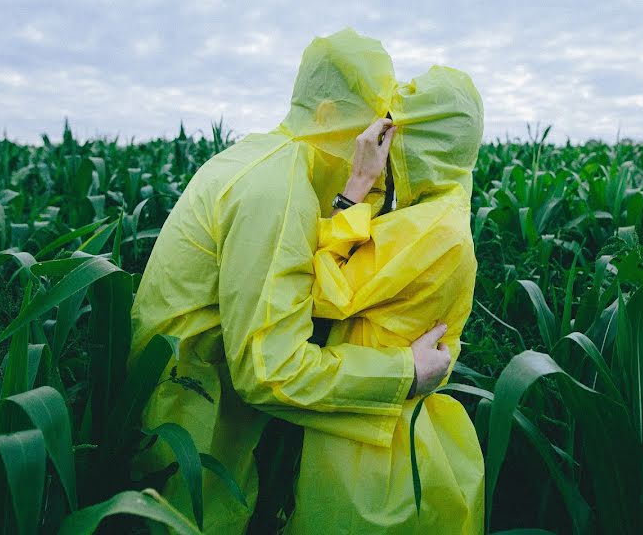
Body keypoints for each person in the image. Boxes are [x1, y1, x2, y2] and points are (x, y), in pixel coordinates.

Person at [128, 28, 453, 534]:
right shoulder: (275, 192)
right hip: (194, 435)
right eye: (368, 132)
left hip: (206, 412)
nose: (379, 154)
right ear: (325, 116)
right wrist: (402, 374)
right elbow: (268, 371)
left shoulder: (273, 159)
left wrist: (355, 191)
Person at [284, 66, 485, 533]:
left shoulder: (427, 230)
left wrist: (352, 191)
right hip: (399, 420)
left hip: (372, 438)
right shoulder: (442, 204)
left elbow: (321, 293)